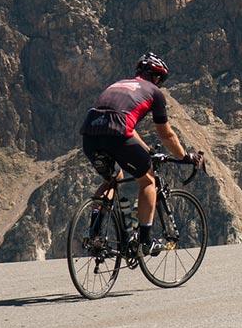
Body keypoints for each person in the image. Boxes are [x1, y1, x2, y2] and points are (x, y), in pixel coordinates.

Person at [80, 53, 204, 255]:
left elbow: (126, 125)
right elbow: (166, 134)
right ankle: (145, 240)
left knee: (112, 179)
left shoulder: (119, 84)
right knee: (147, 181)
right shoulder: (154, 92)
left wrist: (147, 150)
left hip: (90, 135)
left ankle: (94, 233)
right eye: (161, 80)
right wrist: (184, 156)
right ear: (156, 78)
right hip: (117, 135)